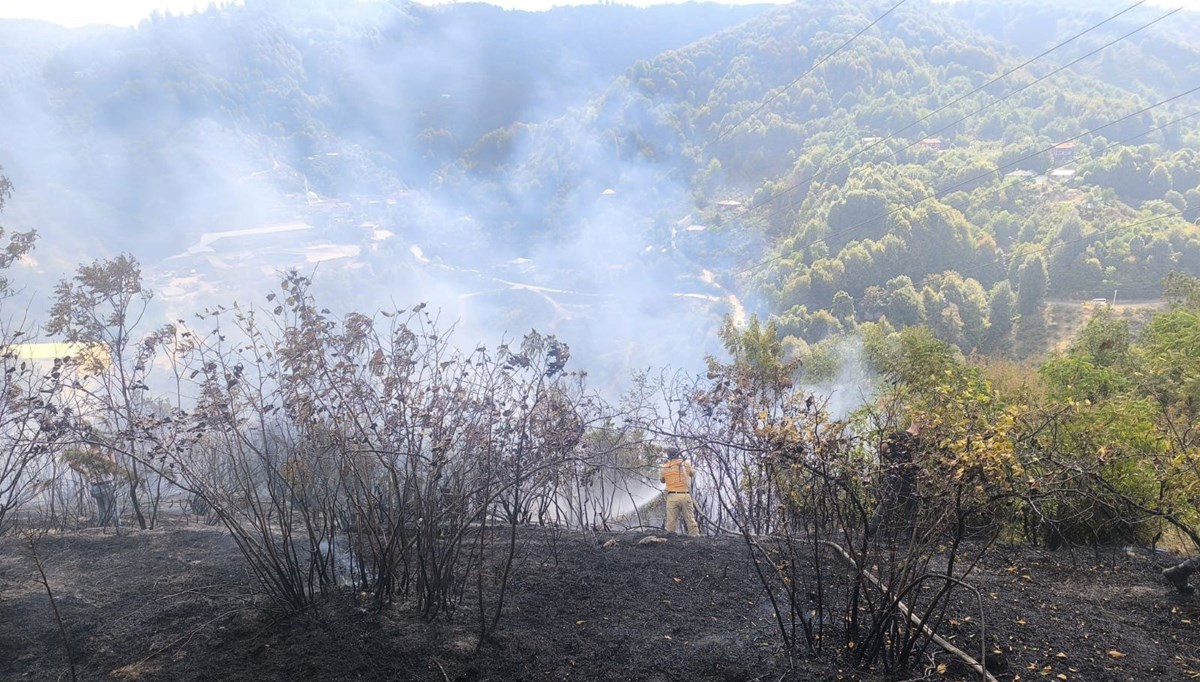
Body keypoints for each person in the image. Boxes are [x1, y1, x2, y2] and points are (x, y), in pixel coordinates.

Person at [869, 420, 925, 538]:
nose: (924, 428)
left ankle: (912, 537)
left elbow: (882, 449)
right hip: (903, 477)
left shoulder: (898, 434)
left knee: (906, 506)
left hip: (901, 476)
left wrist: (892, 461)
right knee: (893, 504)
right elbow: (916, 460)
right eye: (923, 424)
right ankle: (871, 531)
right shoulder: (905, 437)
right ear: (916, 423)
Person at [659, 448, 699, 536]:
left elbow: (662, 480)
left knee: (671, 521)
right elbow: (693, 473)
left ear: (668, 456)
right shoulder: (685, 464)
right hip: (685, 496)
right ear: (679, 454)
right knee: (690, 519)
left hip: (672, 496)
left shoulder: (664, 467)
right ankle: (696, 538)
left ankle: (670, 541)